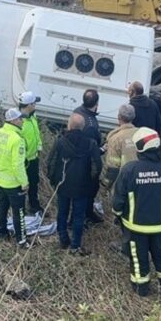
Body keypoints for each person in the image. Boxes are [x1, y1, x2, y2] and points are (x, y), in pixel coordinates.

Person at [112, 127, 161, 297]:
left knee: (138, 258)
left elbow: (119, 198)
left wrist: (117, 213)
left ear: (139, 147)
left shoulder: (129, 169)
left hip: (135, 227)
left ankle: (142, 289)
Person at [48, 113, 102, 256]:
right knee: (78, 216)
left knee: (62, 212)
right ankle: (75, 246)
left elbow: (51, 163)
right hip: (82, 187)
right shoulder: (91, 144)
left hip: (63, 184)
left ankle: (63, 238)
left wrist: (54, 181)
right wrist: (90, 182)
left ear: (69, 125)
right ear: (83, 127)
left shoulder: (60, 141)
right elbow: (97, 166)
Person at [0, 108, 30, 248]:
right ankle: (22, 241)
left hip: (0, 180)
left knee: (2, 207)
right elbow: (18, 165)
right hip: (14, 183)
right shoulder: (17, 139)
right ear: (13, 121)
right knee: (19, 212)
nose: (22, 121)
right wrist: (24, 183)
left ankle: (2, 233)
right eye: (20, 119)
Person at [73, 89, 103, 223]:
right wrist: (102, 150)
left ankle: (86, 213)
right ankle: (86, 215)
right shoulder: (90, 124)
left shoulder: (78, 111)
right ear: (96, 102)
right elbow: (91, 148)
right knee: (90, 189)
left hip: (76, 159)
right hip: (87, 163)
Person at [18, 91, 43, 214]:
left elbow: (36, 134)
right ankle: (20, 209)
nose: (35, 105)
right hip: (23, 161)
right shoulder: (18, 121)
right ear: (29, 105)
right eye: (34, 103)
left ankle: (34, 205)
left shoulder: (33, 116)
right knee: (22, 186)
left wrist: (39, 147)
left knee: (34, 183)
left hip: (33, 158)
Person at [102, 104, 138, 189]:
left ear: (119, 117)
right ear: (134, 117)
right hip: (138, 182)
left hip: (122, 183)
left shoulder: (115, 138)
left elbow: (112, 167)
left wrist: (104, 185)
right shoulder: (140, 134)